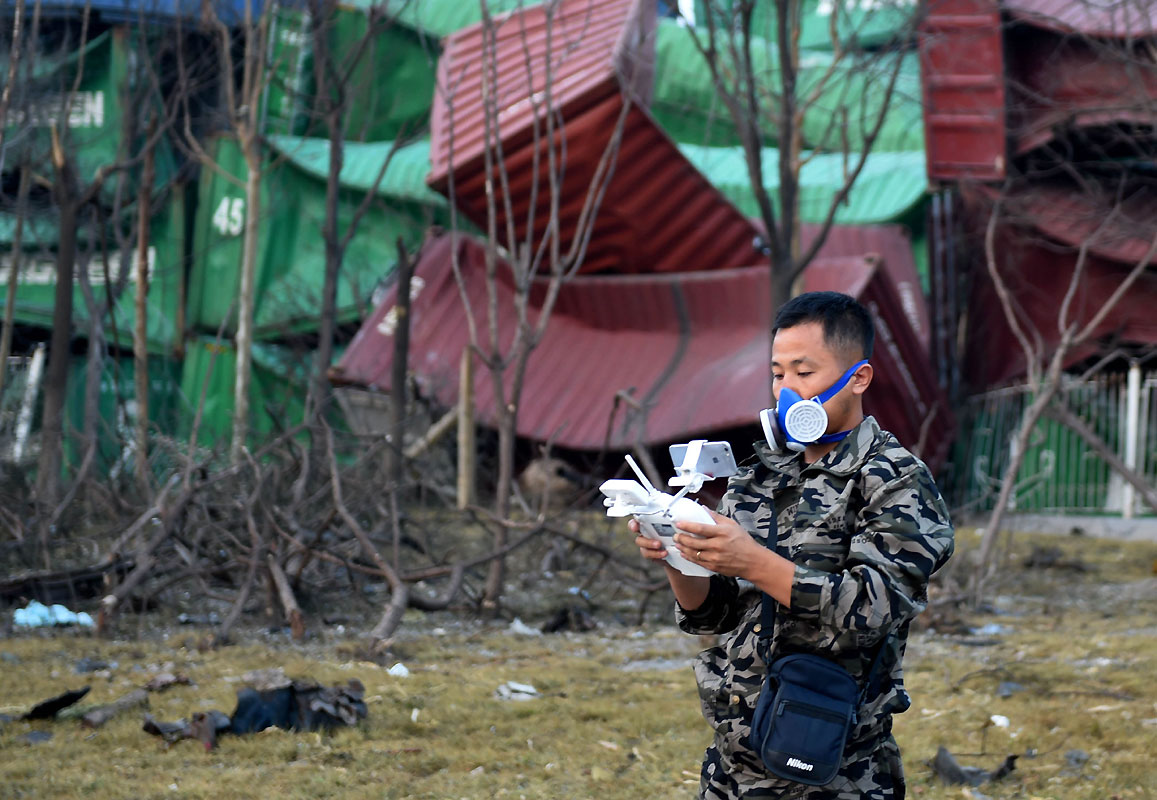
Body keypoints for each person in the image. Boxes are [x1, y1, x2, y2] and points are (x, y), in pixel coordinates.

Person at [633, 291, 954, 799]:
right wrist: (677, 548)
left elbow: (872, 606)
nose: (787, 390)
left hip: (835, 765)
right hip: (735, 759)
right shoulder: (759, 475)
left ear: (860, 377)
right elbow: (714, 615)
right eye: (778, 374)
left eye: (804, 373)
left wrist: (753, 561)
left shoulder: (894, 480)